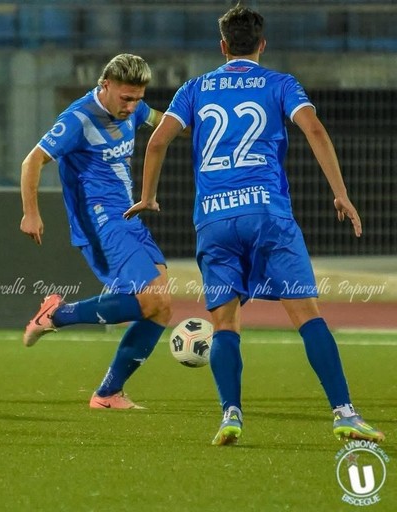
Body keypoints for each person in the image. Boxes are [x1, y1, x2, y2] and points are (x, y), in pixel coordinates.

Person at [124, 6, 384, 444]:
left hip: (215, 219)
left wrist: (148, 196)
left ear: (222, 46)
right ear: (262, 45)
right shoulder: (281, 84)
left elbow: (157, 141)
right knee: (307, 317)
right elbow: (315, 131)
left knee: (225, 325)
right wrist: (340, 193)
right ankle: (343, 412)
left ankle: (231, 415)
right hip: (268, 215)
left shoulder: (195, 88)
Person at [20, 53, 174, 410]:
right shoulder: (77, 119)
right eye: (126, 97)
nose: (133, 105)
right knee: (153, 300)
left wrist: (209, 127)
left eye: (138, 97)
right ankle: (56, 315)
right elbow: (32, 161)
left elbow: (164, 123)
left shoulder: (134, 107)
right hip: (101, 221)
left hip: (128, 216)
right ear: (105, 85)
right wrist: (31, 213)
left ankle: (107, 394)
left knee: (161, 310)